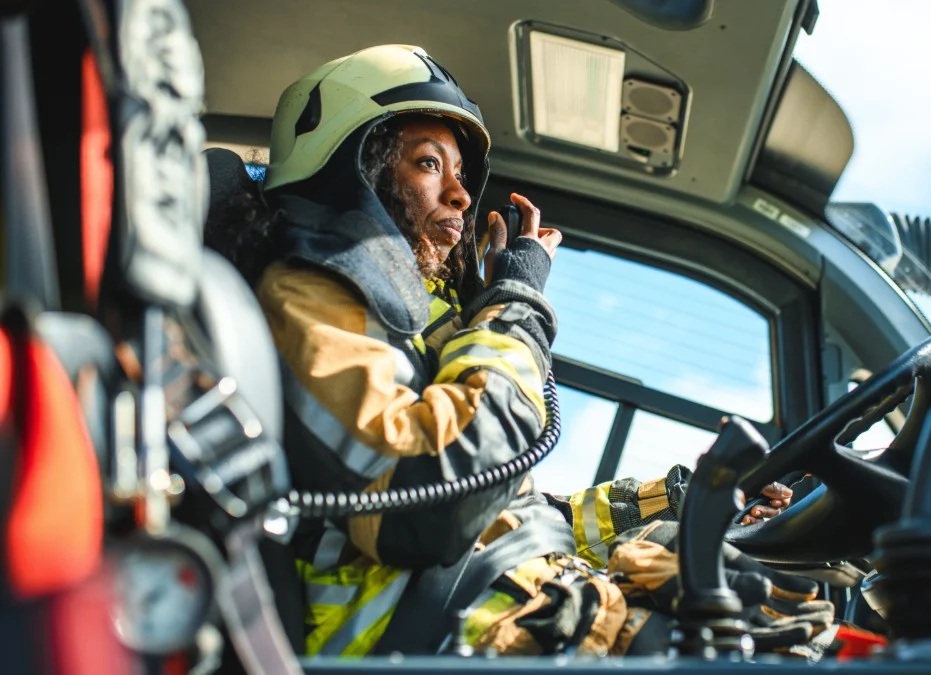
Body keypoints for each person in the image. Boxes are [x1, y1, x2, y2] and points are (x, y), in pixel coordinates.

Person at [204, 44, 832, 659]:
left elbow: (517, 509)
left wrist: (686, 495)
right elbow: (429, 500)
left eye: (460, 175)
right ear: (356, 171)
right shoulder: (310, 291)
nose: (460, 195)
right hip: (423, 641)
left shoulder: (420, 327)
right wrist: (516, 304)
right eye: (427, 164)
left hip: (498, 611)